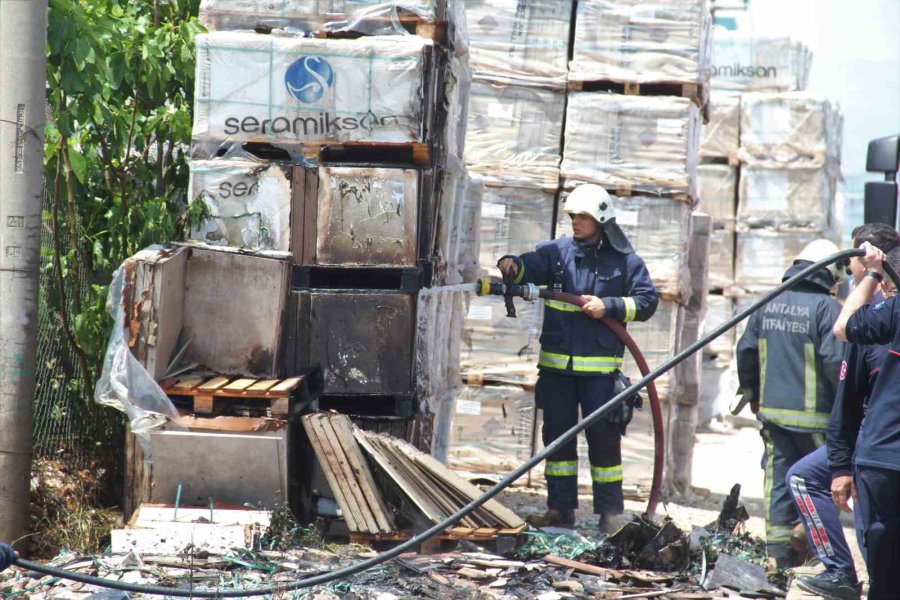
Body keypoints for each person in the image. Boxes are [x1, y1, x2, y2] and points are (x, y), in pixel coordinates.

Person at [497, 183, 658, 532]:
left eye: (583, 216)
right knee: (556, 440)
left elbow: (647, 302)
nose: (576, 222)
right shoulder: (556, 254)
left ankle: (610, 513)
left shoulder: (625, 261)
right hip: (556, 371)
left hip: (601, 376)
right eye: (573, 216)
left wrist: (611, 306)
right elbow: (530, 267)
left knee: (604, 441)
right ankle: (560, 510)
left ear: (601, 219)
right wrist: (512, 265)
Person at [788, 224, 899, 600]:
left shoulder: (878, 320)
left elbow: (843, 332)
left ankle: (843, 573)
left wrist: (841, 465)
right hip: (873, 450)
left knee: (879, 547)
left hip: (877, 453)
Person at [736, 239, 845, 567]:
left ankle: (778, 556)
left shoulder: (767, 303)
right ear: (828, 272)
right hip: (817, 421)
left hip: (772, 416)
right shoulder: (827, 309)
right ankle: (810, 542)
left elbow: (746, 351)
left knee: (778, 485)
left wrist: (751, 393)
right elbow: (834, 364)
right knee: (824, 486)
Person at [833, 241, 900, 599]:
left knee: (886, 574)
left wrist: (872, 273)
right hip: (883, 459)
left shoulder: (894, 310)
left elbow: (843, 327)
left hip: (885, 459)